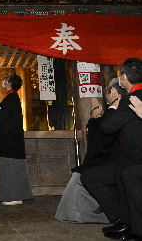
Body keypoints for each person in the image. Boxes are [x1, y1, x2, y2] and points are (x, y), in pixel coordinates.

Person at [81, 58, 142, 240]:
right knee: (120, 171)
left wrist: (114, 105)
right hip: (127, 156)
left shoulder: (132, 98)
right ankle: (125, 221)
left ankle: (128, 223)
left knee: (122, 172)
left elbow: (107, 128)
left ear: (123, 78)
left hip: (133, 158)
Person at [55, 78, 125, 224]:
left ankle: (115, 216)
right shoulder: (125, 111)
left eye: (108, 90)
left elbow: (100, 137)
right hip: (114, 160)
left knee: (82, 177)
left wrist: (94, 116)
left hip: (108, 162)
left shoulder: (117, 113)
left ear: (114, 92)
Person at [0, 74, 33, 206]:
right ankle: (10, 196)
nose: (4, 82)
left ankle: (14, 196)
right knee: (9, 168)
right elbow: (3, 113)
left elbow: (3, 116)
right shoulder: (10, 97)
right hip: (9, 142)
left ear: (9, 84)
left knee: (11, 169)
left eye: (6, 80)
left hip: (10, 142)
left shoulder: (12, 97)